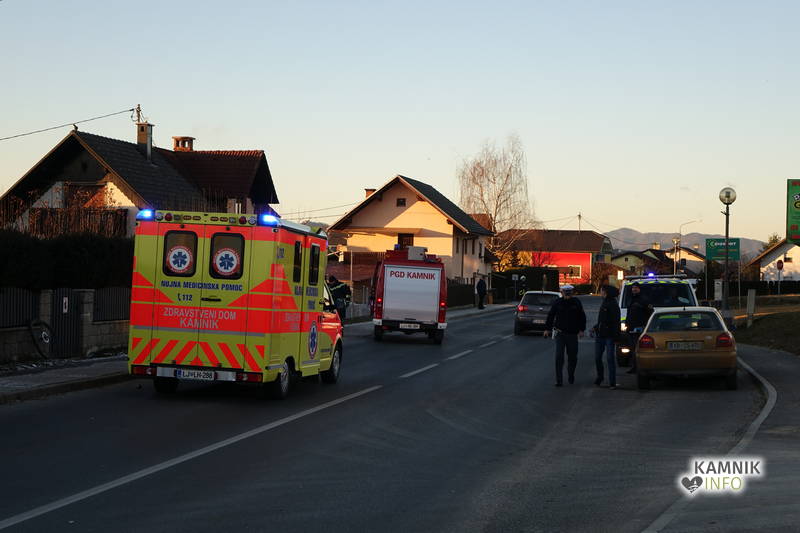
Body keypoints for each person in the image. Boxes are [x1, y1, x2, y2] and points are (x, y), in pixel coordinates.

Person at [543, 284, 586, 386]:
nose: (567, 294)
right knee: (559, 357)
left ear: (572, 292)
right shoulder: (557, 302)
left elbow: (582, 316)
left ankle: (571, 374)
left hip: (572, 334)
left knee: (572, 357)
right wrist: (547, 329)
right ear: (562, 292)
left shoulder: (576, 302)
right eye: (565, 292)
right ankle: (559, 380)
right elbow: (551, 315)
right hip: (560, 333)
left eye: (569, 292)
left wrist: (581, 330)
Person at [593, 285, 621, 389]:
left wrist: (616, 337)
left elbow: (616, 322)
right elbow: (602, 320)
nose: (600, 292)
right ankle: (600, 377)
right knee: (597, 358)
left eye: (601, 291)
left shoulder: (613, 304)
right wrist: (596, 327)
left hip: (609, 336)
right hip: (600, 335)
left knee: (610, 359)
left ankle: (612, 382)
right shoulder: (604, 302)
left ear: (605, 292)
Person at [625, 282, 653, 374]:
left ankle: (641, 368)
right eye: (633, 288)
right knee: (633, 349)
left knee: (639, 349)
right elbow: (629, 313)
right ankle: (634, 367)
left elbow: (650, 312)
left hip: (640, 328)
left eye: (636, 288)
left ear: (639, 289)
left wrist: (644, 325)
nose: (634, 289)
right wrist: (627, 324)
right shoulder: (630, 299)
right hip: (631, 328)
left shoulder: (644, 300)